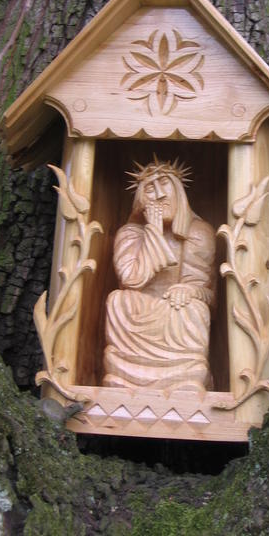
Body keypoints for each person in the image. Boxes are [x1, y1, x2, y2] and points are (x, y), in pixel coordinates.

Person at [102, 157, 216, 392]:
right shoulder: (129, 233)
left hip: (176, 312)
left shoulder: (199, 232)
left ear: (180, 194)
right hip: (139, 308)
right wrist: (152, 231)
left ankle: (187, 373)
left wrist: (189, 290)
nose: (159, 195)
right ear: (140, 201)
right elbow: (131, 280)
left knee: (195, 310)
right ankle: (124, 371)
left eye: (165, 185)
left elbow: (208, 295)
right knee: (118, 300)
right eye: (150, 189)